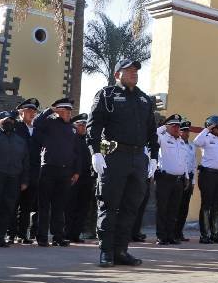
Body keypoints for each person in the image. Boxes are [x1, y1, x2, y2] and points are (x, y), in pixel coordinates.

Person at [87, 59, 158, 268]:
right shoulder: (107, 95)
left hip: (138, 159)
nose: (134, 73)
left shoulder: (144, 99)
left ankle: (121, 250)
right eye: (129, 70)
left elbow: (151, 131)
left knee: (130, 207)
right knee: (109, 205)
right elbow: (94, 126)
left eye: (136, 70)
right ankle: (106, 252)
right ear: (117, 74)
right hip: (114, 156)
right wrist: (95, 152)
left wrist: (154, 156)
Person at [34, 97, 80, 247]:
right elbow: (36, 122)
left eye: (69, 111)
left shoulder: (73, 128)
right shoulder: (49, 123)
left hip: (65, 171)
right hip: (48, 168)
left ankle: (58, 236)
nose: (68, 113)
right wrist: (50, 110)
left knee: (60, 206)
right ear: (59, 112)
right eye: (65, 110)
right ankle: (41, 236)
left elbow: (76, 151)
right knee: (44, 205)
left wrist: (76, 171)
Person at [0, 110, 29, 247]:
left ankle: (0, 237)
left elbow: (25, 161)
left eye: (11, 120)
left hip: (13, 177)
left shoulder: (20, 140)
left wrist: (25, 180)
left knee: (7, 208)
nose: (9, 122)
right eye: (5, 120)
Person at [193, 115, 218, 244]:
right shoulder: (206, 138)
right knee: (206, 205)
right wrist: (206, 130)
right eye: (217, 126)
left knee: (217, 206)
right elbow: (196, 142)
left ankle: (214, 233)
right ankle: (204, 235)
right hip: (207, 175)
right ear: (211, 127)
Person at [10, 98, 41, 244]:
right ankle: (10, 234)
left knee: (26, 207)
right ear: (21, 112)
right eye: (28, 111)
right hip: (17, 171)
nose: (32, 114)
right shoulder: (16, 126)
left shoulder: (38, 130)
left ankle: (22, 234)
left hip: (33, 173)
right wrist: (15, 113)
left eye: (34, 111)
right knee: (12, 204)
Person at [155, 114, 189, 245]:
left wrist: (186, 176)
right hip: (165, 179)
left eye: (178, 126)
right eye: (174, 126)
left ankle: (170, 235)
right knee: (162, 208)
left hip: (178, 180)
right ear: (167, 127)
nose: (177, 128)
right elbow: (152, 134)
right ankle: (161, 236)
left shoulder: (181, 141)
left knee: (174, 209)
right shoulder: (162, 138)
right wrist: (163, 126)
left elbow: (183, 161)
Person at [65, 114, 93, 243]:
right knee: (70, 206)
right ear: (74, 126)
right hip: (74, 177)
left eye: (85, 126)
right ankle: (67, 233)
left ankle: (76, 233)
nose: (83, 128)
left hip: (87, 177)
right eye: (80, 125)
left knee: (83, 206)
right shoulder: (70, 139)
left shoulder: (88, 140)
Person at [175, 119, 196, 242]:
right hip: (180, 177)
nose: (186, 133)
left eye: (187, 131)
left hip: (189, 178)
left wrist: (193, 182)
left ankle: (179, 232)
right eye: (183, 131)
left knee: (184, 207)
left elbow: (193, 164)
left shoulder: (192, 145)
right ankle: (172, 232)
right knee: (176, 206)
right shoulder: (176, 143)